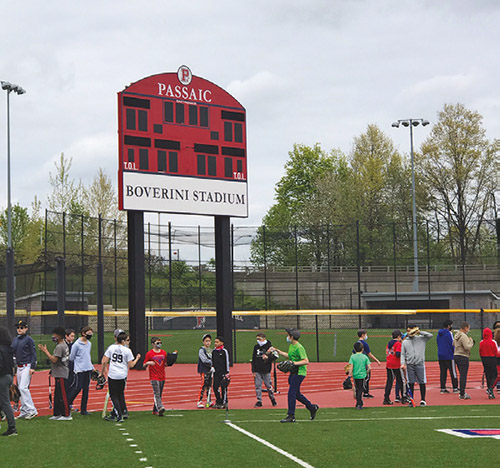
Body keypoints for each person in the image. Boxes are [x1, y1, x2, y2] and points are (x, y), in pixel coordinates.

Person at [270, 328, 318, 423]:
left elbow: (306, 361)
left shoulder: (299, 347)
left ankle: (291, 415)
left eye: (288, 335)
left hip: (299, 372)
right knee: (297, 394)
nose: (287, 337)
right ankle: (312, 407)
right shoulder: (292, 346)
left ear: (292, 337)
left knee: (291, 393)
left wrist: (293, 363)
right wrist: (278, 351)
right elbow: (289, 356)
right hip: (293, 372)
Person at [101, 332, 140, 422]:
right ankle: (118, 413)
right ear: (123, 341)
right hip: (122, 375)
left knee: (113, 395)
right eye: (127, 340)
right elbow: (131, 365)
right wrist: (137, 358)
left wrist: (103, 372)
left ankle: (118, 414)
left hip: (113, 374)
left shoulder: (111, 347)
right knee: (119, 394)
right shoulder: (127, 350)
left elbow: (104, 361)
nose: (128, 342)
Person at [38, 327, 71, 420]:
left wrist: (45, 351)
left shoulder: (60, 346)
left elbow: (54, 359)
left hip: (61, 373)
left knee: (62, 395)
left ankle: (66, 414)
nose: (53, 336)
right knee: (57, 395)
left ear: (59, 336)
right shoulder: (62, 345)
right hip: (59, 373)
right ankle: (57, 413)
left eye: (55, 335)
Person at [400, 325, 432, 406]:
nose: (409, 332)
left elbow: (430, 335)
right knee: (411, 382)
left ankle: (423, 399)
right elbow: (403, 354)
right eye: (407, 330)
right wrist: (402, 363)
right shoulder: (405, 342)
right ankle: (411, 400)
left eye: (410, 330)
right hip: (410, 364)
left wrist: (419, 331)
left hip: (419, 363)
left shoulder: (421, 339)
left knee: (422, 382)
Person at [11, 320, 37, 419]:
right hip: (19, 366)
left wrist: (33, 367)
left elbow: (33, 353)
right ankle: (24, 410)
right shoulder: (15, 339)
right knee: (19, 389)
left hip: (27, 365)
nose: (19, 329)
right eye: (18, 328)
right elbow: (12, 352)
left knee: (23, 388)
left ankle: (31, 410)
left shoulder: (29, 339)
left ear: (26, 328)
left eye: (22, 328)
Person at [68, 326, 94, 415]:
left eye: (91, 333)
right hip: (79, 369)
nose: (90, 335)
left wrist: (92, 367)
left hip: (88, 369)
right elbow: (71, 357)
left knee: (86, 389)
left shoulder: (89, 344)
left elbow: (88, 356)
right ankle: (68, 402)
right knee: (78, 388)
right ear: (83, 333)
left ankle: (84, 409)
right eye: (89, 333)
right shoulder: (76, 344)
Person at [251, 332, 277, 408]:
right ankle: (259, 401)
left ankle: (272, 398)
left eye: (260, 339)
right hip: (257, 369)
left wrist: (268, 358)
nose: (258, 340)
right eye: (257, 339)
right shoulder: (256, 347)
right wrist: (253, 370)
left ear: (264, 338)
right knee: (258, 386)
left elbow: (275, 356)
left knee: (268, 385)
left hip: (266, 370)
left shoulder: (269, 346)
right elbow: (254, 359)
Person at [143, 336, 167, 416]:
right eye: (157, 343)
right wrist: (148, 363)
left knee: (159, 393)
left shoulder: (163, 353)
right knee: (156, 392)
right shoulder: (149, 354)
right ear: (153, 344)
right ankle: (160, 407)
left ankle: (155, 409)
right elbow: (144, 365)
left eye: (160, 343)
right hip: (154, 376)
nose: (159, 344)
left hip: (162, 375)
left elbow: (165, 363)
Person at [0, 326, 17, 436]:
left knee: (5, 403)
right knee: (4, 402)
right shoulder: (8, 348)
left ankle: (12, 427)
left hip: (2, 376)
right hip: (8, 376)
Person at [354, 329, 380, 398]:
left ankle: (358, 391)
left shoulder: (356, 343)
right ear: (363, 335)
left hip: (357, 362)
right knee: (366, 377)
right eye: (365, 334)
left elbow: (353, 352)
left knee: (358, 377)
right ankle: (365, 392)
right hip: (364, 362)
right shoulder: (365, 344)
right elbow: (369, 354)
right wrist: (376, 360)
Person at [437, 319, 459, 394]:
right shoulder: (449, 333)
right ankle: (455, 387)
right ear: (449, 326)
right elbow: (452, 343)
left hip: (441, 355)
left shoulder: (439, 334)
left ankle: (443, 388)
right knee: (453, 372)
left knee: (443, 372)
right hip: (449, 355)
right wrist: (454, 352)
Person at [453, 321, 474, 400]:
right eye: (468, 328)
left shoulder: (456, 335)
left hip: (457, 355)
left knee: (461, 374)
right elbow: (467, 347)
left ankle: (462, 392)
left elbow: (453, 343)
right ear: (465, 328)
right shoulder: (463, 336)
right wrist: (471, 342)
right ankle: (462, 393)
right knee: (463, 375)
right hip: (463, 356)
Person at [383, 330, 404, 405]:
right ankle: (403, 397)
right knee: (400, 381)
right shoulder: (398, 344)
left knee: (390, 381)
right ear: (398, 336)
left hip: (389, 363)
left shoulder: (389, 344)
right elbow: (398, 354)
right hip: (395, 364)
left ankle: (387, 397)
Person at [348, 341, 371, 410]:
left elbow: (351, 367)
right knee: (361, 389)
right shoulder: (365, 357)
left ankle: (358, 402)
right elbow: (369, 367)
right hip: (362, 375)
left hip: (355, 375)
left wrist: (349, 375)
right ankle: (359, 403)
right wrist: (367, 373)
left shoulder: (352, 357)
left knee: (357, 388)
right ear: (362, 349)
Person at [211, 336, 230, 409]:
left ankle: (224, 402)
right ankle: (218, 400)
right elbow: (212, 360)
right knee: (215, 387)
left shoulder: (224, 351)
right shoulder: (214, 351)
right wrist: (212, 367)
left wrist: (227, 372)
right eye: (215, 342)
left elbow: (226, 362)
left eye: (217, 342)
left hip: (223, 372)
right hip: (216, 373)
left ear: (221, 343)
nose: (215, 343)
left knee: (223, 387)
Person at [479, 327, 498, 399]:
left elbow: (480, 351)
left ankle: (489, 388)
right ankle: (490, 388)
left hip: (484, 359)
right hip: (492, 358)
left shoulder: (481, 342)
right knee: (495, 374)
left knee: (488, 374)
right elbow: (495, 351)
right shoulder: (493, 342)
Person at [197, 333, 213, 408]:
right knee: (203, 384)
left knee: (209, 385)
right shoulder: (201, 350)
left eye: (209, 341)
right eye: (206, 341)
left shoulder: (210, 350)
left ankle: (209, 400)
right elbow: (204, 360)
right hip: (204, 369)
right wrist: (211, 363)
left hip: (210, 370)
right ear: (203, 342)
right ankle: (199, 401)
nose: (208, 343)